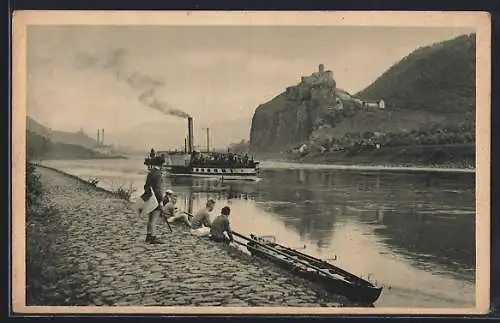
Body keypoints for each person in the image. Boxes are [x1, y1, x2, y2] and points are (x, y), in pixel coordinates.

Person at [141, 165, 164, 244]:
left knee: (150, 218)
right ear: (162, 164)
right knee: (154, 219)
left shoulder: (150, 173)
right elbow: (158, 189)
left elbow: (145, 186)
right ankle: (153, 237)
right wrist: (160, 200)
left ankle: (148, 235)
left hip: (149, 197)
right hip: (156, 198)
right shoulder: (158, 174)